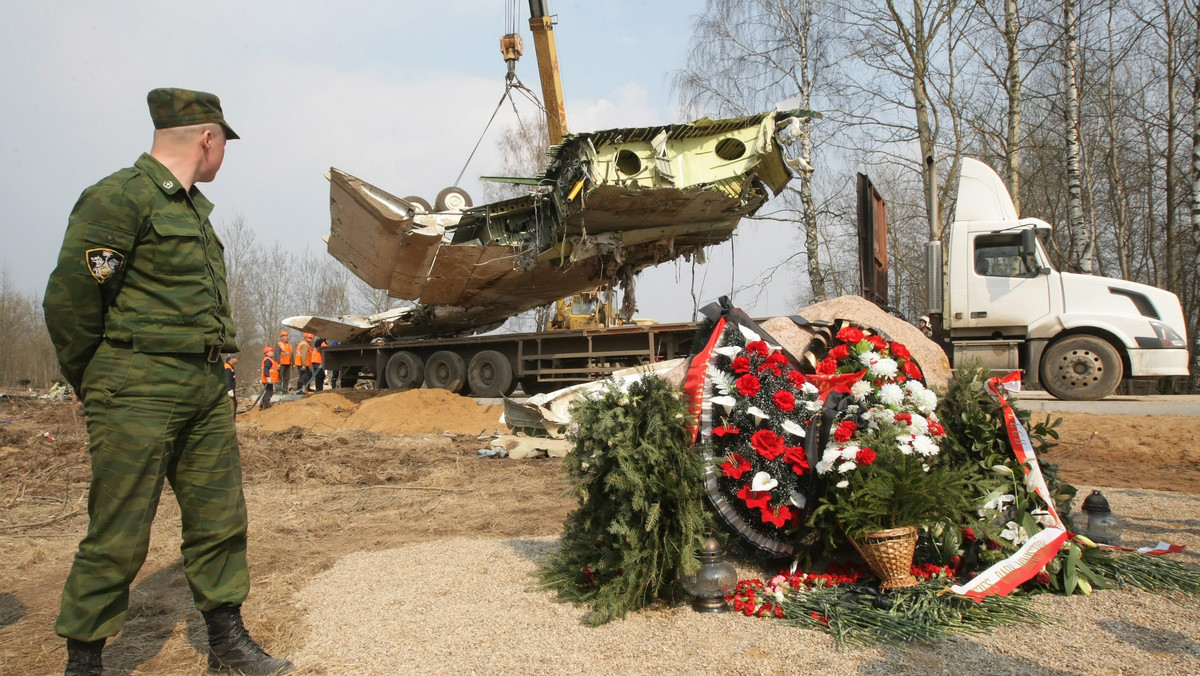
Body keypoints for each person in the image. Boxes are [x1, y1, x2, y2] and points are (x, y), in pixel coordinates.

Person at [42, 88, 292, 676]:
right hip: (138, 385)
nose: (223, 154)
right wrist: (101, 379)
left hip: (205, 383)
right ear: (208, 139)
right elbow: (72, 302)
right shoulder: (117, 199)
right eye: (224, 143)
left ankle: (227, 642)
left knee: (219, 518)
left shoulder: (190, 211)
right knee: (119, 530)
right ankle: (85, 660)